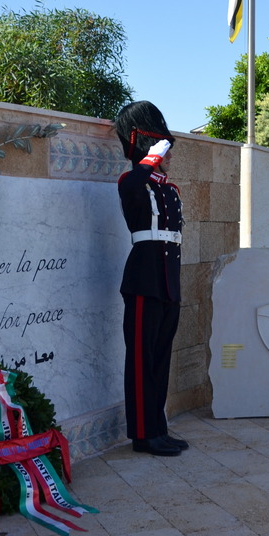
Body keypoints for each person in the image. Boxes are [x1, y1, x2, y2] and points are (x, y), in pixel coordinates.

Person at [114, 101, 187, 457]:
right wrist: (150, 155)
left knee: (160, 359)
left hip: (167, 282)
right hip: (144, 280)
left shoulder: (169, 190)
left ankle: (158, 428)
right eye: (162, 150)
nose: (168, 156)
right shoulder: (132, 182)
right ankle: (143, 435)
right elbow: (133, 183)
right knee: (141, 360)